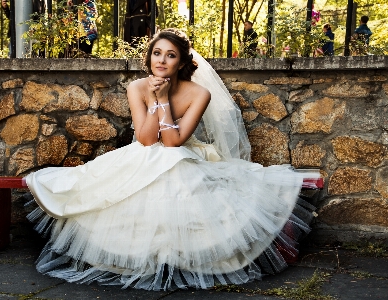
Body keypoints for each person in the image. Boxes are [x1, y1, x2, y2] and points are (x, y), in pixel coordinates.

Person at [25, 28, 319, 290]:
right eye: (156, 53)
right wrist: (153, 100)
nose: (161, 61)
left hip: (180, 151)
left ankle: (182, 257)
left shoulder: (199, 93)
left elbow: (173, 141)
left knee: (175, 167)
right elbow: (146, 139)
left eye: (170, 55)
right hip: (143, 151)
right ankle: (138, 256)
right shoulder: (137, 87)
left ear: (181, 62)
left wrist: (163, 100)